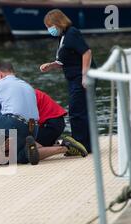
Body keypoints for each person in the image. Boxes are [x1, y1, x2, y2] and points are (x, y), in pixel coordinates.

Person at [0, 74, 88, 159]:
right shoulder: (18, 90)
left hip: (49, 124)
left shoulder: (9, 98)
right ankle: (61, 143)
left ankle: (65, 146)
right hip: (54, 123)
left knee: (22, 149)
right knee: (15, 144)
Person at [39, 9, 95, 155]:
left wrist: (84, 75)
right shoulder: (63, 37)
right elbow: (65, 60)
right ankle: (85, 144)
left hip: (79, 78)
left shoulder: (72, 33)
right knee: (79, 111)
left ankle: (81, 144)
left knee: (77, 112)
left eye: (49, 26)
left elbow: (86, 52)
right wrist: (51, 65)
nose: (49, 30)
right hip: (72, 79)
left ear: (57, 23)